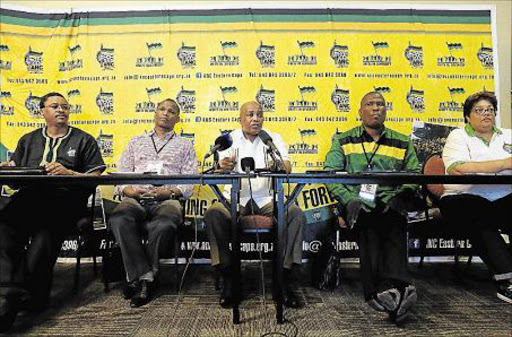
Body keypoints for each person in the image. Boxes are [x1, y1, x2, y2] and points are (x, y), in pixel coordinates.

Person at [0, 92, 106, 332]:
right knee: (4, 227)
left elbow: (94, 179)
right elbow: (15, 182)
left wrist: (68, 173)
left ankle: (30, 298)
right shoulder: (28, 140)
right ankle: (9, 292)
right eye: (55, 106)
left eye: (65, 107)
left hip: (65, 200)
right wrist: (7, 171)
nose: (61, 110)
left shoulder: (83, 140)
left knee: (44, 236)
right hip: (29, 198)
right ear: (43, 112)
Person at [324, 91, 420, 323]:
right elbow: (330, 175)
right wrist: (349, 200)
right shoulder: (343, 140)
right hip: (357, 202)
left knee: (394, 222)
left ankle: (393, 290)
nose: (376, 108)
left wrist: (400, 195)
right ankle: (383, 289)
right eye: (370, 104)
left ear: (386, 110)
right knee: (368, 223)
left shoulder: (402, 140)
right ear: (360, 111)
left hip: (390, 200)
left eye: (381, 104)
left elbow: (415, 174)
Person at [204, 101, 306, 309]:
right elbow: (219, 170)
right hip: (235, 198)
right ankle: (228, 275)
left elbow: (287, 166)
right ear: (241, 119)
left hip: (268, 198)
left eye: (259, 114)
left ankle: (284, 278)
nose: (255, 118)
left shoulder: (272, 139)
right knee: (214, 214)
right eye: (250, 115)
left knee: (296, 215)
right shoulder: (229, 139)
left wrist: (277, 163)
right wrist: (222, 167)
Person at [109, 98, 198, 308]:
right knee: (120, 218)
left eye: (172, 111)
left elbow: (190, 183)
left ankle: (140, 278)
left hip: (167, 198)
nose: (166, 113)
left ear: (178, 118)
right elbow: (120, 177)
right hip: (136, 197)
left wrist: (168, 192)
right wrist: (130, 190)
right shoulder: (135, 142)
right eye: (162, 109)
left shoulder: (185, 145)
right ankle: (146, 276)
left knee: (166, 223)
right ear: (155, 113)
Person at [439, 91, 512, 303]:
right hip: (463, 197)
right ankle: (507, 279)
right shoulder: (458, 136)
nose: (485, 114)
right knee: (479, 214)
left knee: (490, 213)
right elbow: (458, 168)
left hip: (502, 197)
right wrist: (504, 163)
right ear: (467, 117)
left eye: (489, 110)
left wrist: (484, 168)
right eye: (478, 111)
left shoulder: (508, 135)